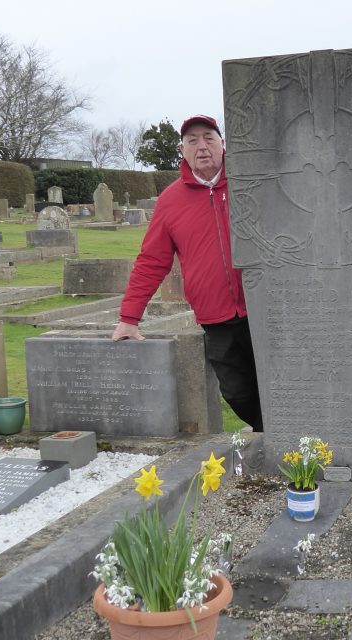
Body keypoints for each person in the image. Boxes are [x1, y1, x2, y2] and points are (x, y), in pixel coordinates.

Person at [112, 115, 263, 431]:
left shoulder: (252, 183)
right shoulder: (171, 200)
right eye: (193, 141)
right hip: (217, 316)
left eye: (209, 137)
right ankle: (270, 435)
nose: (202, 146)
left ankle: (293, 443)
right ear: (182, 150)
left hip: (265, 307)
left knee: (285, 383)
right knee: (238, 392)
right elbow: (151, 261)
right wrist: (129, 317)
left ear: (223, 144)